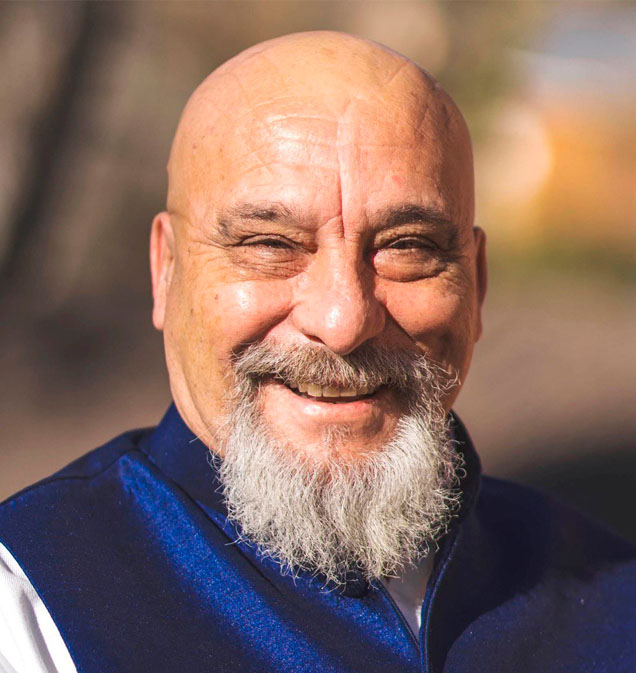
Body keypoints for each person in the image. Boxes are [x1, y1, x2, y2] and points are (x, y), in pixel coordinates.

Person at [0, 31, 634, 673]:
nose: (343, 321)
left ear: (477, 284)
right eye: (270, 245)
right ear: (166, 271)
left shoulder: (610, 597)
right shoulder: (33, 609)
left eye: (407, 247)